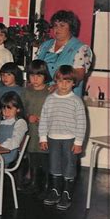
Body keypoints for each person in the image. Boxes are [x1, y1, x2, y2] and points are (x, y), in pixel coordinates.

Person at [39, 65, 87, 210]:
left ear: (74, 83)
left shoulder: (76, 101)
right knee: (54, 165)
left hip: (70, 139)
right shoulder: (49, 99)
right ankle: (55, 191)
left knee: (69, 165)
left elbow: (82, 123)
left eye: (68, 81)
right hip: (53, 138)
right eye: (60, 81)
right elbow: (44, 119)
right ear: (56, 82)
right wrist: (43, 138)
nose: (64, 85)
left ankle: (67, 193)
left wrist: (78, 142)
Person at [36, 10, 93, 97]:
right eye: (55, 25)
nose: (57, 29)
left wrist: (59, 85)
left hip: (67, 100)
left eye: (62, 25)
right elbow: (35, 70)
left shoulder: (81, 48)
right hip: (42, 97)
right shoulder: (44, 46)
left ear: (71, 28)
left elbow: (79, 74)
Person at [20, 59, 51, 197]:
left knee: (45, 158)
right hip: (31, 130)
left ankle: (46, 185)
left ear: (45, 76)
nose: (35, 79)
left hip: (45, 132)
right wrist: (28, 117)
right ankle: (33, 182)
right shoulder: (26, 91)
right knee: (32, 156)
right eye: (32, 76)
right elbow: (20, 110)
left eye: (39, 75)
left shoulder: (50, 92)